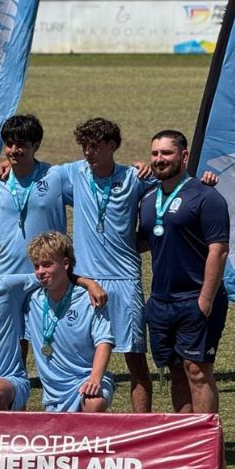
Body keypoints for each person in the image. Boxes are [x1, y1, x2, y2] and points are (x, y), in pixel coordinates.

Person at [0, 234, 107, 410]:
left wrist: (87, 282)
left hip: (11, 381)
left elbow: (57, 274)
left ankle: (7, 431)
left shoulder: (7, 287)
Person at [62, 117, 154, 412]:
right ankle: (84, 428)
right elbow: (34, 172)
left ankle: (142, 433)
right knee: (84, 360)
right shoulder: (74, 173)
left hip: (125, 280)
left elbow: (174, 190)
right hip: (85, 282)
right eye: (84, 146)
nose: (87, 152)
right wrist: (2, 168)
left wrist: (149, 168)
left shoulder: (134, 178)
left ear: (112, 146)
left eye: (94, 146)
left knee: (136, 361)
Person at [138, 130, 229, 414]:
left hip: (195, 298)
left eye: (166, 153)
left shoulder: (206, 196)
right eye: (155, 154)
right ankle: (184, 443)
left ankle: (205, 446)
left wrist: (205, 299)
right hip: (162, 302)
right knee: (176, 370)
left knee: (197, 371)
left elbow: (219, 250)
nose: (159, 159)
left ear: (184, 156)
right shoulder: (150, 198)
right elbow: (146, 239)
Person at [25, 232, 114, 413]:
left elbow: (104, 341)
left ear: (65, 263)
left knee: (94, 402)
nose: (40, 272)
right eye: (36, 266)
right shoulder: (31, 299)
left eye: (47, 265)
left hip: (85, 379)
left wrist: (94, 379)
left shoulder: (90, 299)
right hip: (53, 394)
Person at [0, 114, 70, 276]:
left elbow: (94, 184)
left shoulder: (56, 176)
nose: (13, 150)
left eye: (20, 145)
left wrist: (133, 173)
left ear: (36, 145)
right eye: (9, 144)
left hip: (49, 275)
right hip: (7, 275)